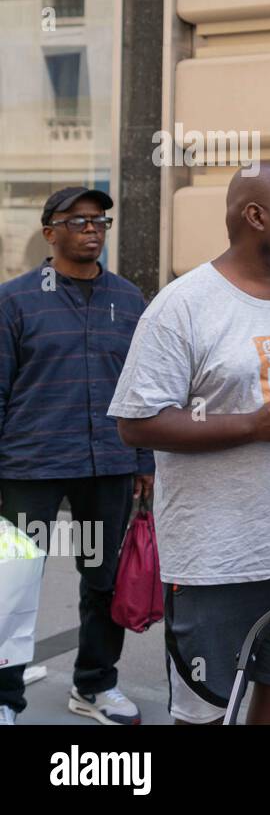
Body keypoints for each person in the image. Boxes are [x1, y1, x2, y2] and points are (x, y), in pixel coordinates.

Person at [109, 162, 270, 725]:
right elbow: (137, 422)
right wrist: (253, 425)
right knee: (206, 709)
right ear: (256, 216)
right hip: (217, 558)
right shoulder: (184, 305)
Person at [0, 187, 152, 726]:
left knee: (103, 580)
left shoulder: (130, 299)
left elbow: (144, 390)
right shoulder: (14, 300)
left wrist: (145, 464)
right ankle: (4, 696)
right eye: (79, 220)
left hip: (109, 461)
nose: (92, 229)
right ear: (50, 232)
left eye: (101, 221)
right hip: (29, 463)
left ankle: (95, 685)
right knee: (14, 582)